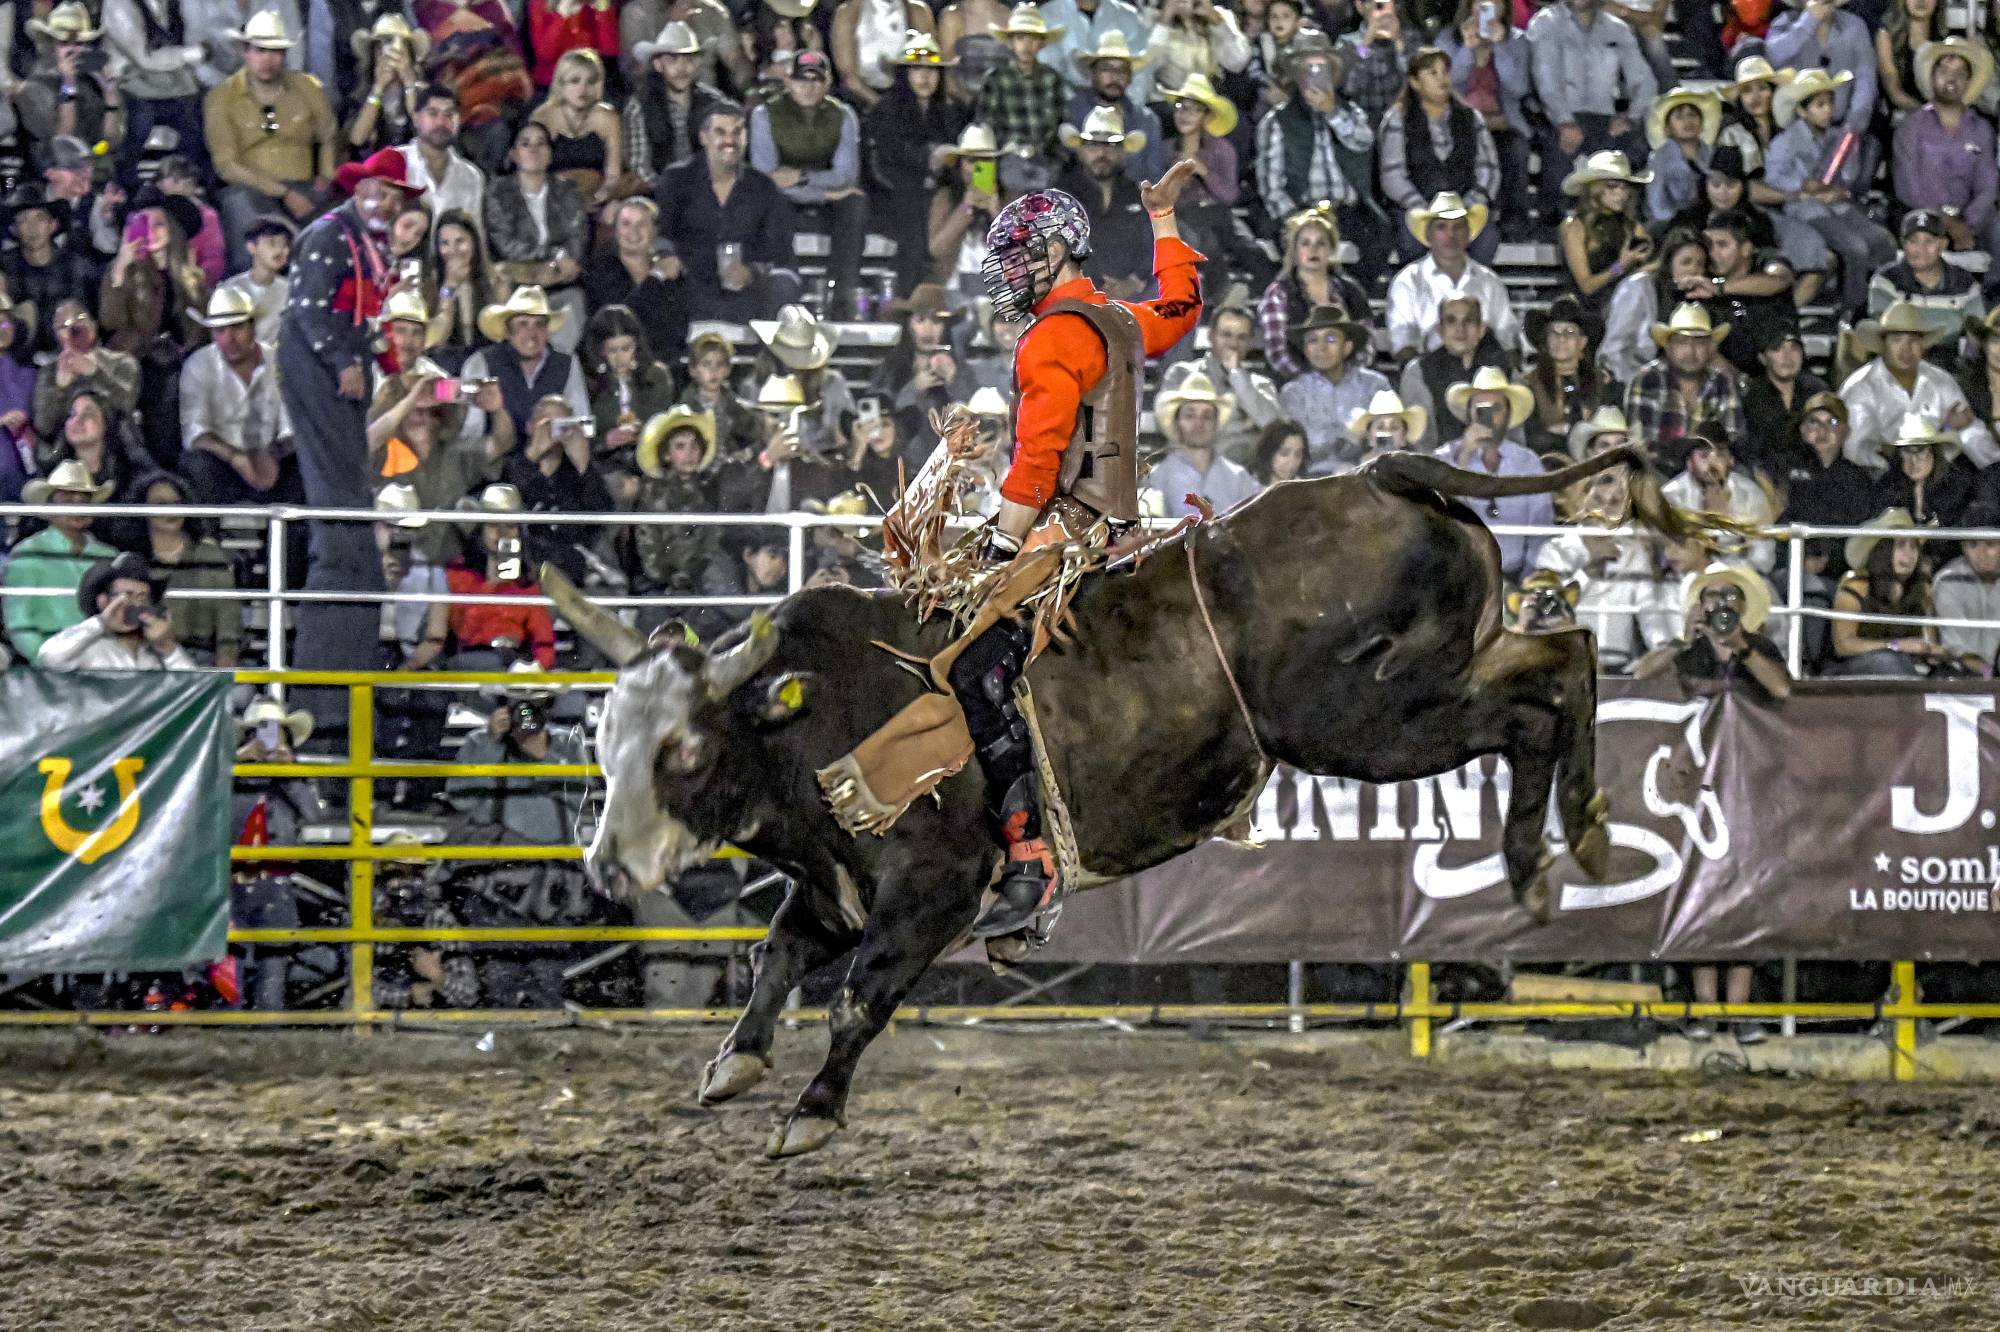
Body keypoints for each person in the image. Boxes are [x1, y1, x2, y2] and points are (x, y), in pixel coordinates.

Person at [946, 163, 1205, 939]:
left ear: (1058, 252)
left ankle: (1030, 858)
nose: (1010, 271)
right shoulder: (1117, 319)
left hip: (1066, 531)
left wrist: (997, 548)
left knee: (975, 665)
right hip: (1120, 525)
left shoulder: (1052, 337)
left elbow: (1036, 464)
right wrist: (1164, 222)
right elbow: (1182, 308)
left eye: (1021, 255)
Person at [281, 146, 426, 731]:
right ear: (359, 189)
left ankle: (334, 700)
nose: (385, 202)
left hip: (341, 368)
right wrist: (344, 358)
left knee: (352, 529)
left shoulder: (366, 243)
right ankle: (327, 700)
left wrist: (374, 354)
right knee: (344, 521)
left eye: (393, 195)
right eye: (379, 191)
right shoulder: (328, 235)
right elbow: (310, 310)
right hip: (319, 368)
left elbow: (357, 316)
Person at [654, 99, 804, 347]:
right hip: (692, 285)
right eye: (720, 132)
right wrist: (667, 257)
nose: (730, 140)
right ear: (704, 137)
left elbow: (779, 248)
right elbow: (662, 233)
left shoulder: (762, 187)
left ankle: (769, 366)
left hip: (745, 290)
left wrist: (752, 271)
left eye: (737, 132)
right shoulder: (676, 179)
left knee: (783, 287)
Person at [201, 10, 335, 267]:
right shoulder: (221, 97)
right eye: (260, 50)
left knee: (337, 213)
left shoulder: (308, 87)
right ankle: (252, 280)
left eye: (275, 51)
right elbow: (226, 164)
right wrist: (283, 193)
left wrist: (326, 175)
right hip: (251, 190)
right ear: (245, 51)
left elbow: (328, 135)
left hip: (306, 185)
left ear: (285, 55)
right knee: (239, 204)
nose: (267, 59)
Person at [1764, 68, 1896, 315]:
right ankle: (1852, 308)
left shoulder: (1837, 138)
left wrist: (1840, 190)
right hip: (1805, 207)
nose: (1827, 110)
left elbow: (1848, 174)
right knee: (1855, 247)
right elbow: (1774, 177)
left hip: (1836, 203)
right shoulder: (1786, 141)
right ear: (1802, 110)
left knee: (1883, 241)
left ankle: (1882, 301)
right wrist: (1803, 185)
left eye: (1829, 104)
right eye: (1820, 105)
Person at [1252, 33, 1376, 268]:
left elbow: (1363, 142)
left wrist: (1333, 112)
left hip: (1347, 213)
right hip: (1300, 211)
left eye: (1321, 68)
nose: (1315, 74)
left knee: (1378, 237)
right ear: (1297, 75)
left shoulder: (1351, 112)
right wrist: (1296, 220)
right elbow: (1271, 186)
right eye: (1309, 69)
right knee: (1302, 245)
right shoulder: (1277, 120)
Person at [863, 31, 968, 294]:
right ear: (905, 74)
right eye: (917, 69)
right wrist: (931, 157)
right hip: (892, 194)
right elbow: (887, 160)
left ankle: (935, 292)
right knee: (917, 214)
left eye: (931, 70)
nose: (925, 77)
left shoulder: (950, 113)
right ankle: (910, 295)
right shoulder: (885, 110)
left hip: (938, 193)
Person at [1378, 46, 1501, 265]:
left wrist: (1470, 204)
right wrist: (1423, 209)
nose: (1442, 78)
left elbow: (1488, 169)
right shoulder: (1397, 119)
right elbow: (1392, 175)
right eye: (1433, 73)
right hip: (1417, 206)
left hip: (1464, 206)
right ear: (1415, 82)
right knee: (1411, 241)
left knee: (1486, 239)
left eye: (1445, 72)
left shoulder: (1471, 117)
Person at [1525, 0, 1656, 206]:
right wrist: (1564, 121)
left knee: (1634, 142)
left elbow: (1645, 82)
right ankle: (1555, 216)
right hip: (1553, 114)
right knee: (1560, 145)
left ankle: (1623, 215)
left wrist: (1631, 118)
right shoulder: (1546, 22)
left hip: (1603, 117)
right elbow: (1546, 81)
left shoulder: (1617, 28)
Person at [1840, 301, 1996, 470]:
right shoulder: (1859, 388)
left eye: (1913, 340)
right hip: (1876, 480)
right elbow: (1855, 451)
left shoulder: (1941, 381)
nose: (1906, 349)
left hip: (1937, 477)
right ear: (1883, 343)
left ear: (1923, 345)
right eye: (1897, 340)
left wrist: (1994, 468)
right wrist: (1943, 432)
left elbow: (1971, 431)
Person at [178, 286, 298, 505]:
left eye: (237, 327)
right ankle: (216, 525)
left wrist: (269, 457)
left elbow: (290, 427)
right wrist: (236, 458)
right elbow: (196, 433)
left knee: (303, 461)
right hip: (223, 466)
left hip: (274, 461)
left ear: (252, 327)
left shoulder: (278, 361)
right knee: (196, 463)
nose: (229, 338)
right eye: (220, 331)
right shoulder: (199, 365)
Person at [484, 120, 589, 353]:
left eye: (541, 143)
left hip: (559, 280)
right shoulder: (498, 192)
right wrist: (552, 256)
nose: (534, 149)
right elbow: (505, 244)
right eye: (526, 143)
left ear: (550, 154)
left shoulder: (567, 190)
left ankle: (558, 363)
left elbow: (577, 236)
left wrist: (561, 262)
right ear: (514, 154)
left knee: (575, 301)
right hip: (519, 281)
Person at [1436, 365, 1551, 577]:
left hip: (1515, 575)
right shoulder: (1445, 458)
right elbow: (1437, 515)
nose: (1487, 416)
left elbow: (1541, 529)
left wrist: (1527, 580)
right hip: (1459, 576)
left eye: (1495, 408)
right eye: (1480, 409)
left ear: (1508, 414)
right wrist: (1464, 457)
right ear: (1470, 413)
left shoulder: (1527, 462)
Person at [1891, 38, 1999, 257]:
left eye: (1960, 73)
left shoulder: (1981, 130)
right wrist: (1947, 222)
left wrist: (1967, 222)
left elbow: (1987, 185)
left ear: (1968, 82)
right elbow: (1908, 188)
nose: (1952, 78)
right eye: (1944, 71)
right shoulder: (1910, 127)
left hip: (1970, 220)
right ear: (1932, 76)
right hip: (1922, 217)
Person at [2, 458, 116, 658]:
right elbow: (19, 621)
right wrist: (42, 657)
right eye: (67, 500)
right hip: (51, 656)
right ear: (49, 508)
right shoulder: (28, 553)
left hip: (105, 656)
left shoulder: (109, 556)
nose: (76, 507)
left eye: (83, 501)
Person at [1438, 0, 1533, 237]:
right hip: (1460, 123)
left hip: (1503, 122)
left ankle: (1514, 221)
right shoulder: (1448, 39)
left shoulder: (1517, 40)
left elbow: (1518, 88)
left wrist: (1500, 48)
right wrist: (1467, 49)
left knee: (1515, 148)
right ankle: (1462, 217)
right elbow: (1444, 85)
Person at [1386, 191, 1520, 359]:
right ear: (1428, 234)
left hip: (1483, 371)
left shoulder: (1490, 282)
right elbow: (1402, 343)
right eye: (1441, 227)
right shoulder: (1407, 282)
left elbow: (1508, 337)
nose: (1451, 234)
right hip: (1427, 369)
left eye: (1458, 226)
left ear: (1468, 233)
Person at [1623, 302, 1745, 473]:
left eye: (1699, 342)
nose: (1691, 351)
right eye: (1682, 342)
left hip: (1710, 475)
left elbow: (1733, 441)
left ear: (1710, 348)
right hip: (1658, 476)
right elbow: (1642, 448)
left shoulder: (1722, 383)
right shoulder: (1647, 380)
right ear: (1667, 346)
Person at [134, 470, 240, 667]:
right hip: (144, 658)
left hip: (201, 658)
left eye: (177, 503)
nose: (171, 511)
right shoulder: (133, 559)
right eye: (161, 504)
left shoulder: (209, 554)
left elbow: (228, 620)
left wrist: (224, 670)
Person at [445, 483, 557, 668]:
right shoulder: (457, 573)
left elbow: (544, 642)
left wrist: (536, 669)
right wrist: (491, 586)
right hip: (469, 661)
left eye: (510, 526)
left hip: (512, 665)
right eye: (493, 525)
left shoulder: (527, 585)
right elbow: (457, 631)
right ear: (481, 530)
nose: (502, 533)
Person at [458, 285, 591, 441]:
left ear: (547, 331)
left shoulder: (567, 363)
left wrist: (548, 430)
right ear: (507, 331)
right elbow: (471, 430)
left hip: (553, 451)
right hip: (498, 453)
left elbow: (584, 425)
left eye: (539, 324)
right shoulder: (481, 362)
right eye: (523, 324)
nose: (532, 334)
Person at [1257, 203, 1371, 380]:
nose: (1313, 250)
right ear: (1295, 251)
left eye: (1321, 243)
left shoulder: (1351, 291)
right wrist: (1313, 384)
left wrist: (1345, 382)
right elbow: (1277, 353)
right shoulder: (1278, 294)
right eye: (1305, 243)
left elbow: (1366, 345)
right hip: (1294, 384)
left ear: (1331, 249)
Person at [1827, 508, 1947, 676]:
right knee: (1887, 661)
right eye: (1901, 545)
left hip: (1908, 664)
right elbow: (1843, 646)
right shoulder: (1856, 587)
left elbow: (1929, 643)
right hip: (1856, 667)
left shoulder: (1921, 589)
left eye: (1913, 547)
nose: (1909, 555)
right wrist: (1895, 645)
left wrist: (1934, 651)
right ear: (1883, 551)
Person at [1155, 304, 1282, 462]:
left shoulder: (1260, 385)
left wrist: (1237, 375)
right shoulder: (1182, 374)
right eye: (1226, 335)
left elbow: (1275, 429)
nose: (1233, 344)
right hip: (1193, 465)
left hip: (1247, 471)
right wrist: (1243, 425)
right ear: (1211, 336)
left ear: (1249, 342)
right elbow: (1169, 425)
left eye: (1242, 337)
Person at [1277, 302, 1389, 475]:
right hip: (1312, 479)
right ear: (1305, 350)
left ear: (1347, 347)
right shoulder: (1294, 393)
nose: (1321, 347)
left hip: (1366, 475)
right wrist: (1350, 438)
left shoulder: (1374, 385)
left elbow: (1388, 435)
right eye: (1312, 340)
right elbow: (1299, 446)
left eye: (1330, 339)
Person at [36, 548, 195, 669]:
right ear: (103, 602)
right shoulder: (87, 646)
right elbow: (48, 658)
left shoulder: (157, 650)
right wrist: (101, 623)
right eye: (127, 596)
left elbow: (194, 692)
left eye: (142, 598)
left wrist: (168, 647)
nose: (136, 605)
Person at [1866, 210, 1983, 371]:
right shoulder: (1885, 280)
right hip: (1898, 363)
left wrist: (1967, 366)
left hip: (1947, 363)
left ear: (1942, 244)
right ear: (1903, 244)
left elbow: (1976, 332)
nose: (1920, 249)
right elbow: (1884, 333)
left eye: (1929, 241)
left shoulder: (1964, 283)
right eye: (1913, 241)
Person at [1398, 292, 1515, 451]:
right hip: (1438, 463)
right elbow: (1421, 441)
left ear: (1481, 329)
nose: (1460, 329)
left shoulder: (1504, 369)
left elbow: (1515, 435)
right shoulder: (1419, 371)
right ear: (1440, 329)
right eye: (1451, 320)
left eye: (1469, 320)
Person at [1053, 107, 1151, 294]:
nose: (1101, 154)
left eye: (1110, 146)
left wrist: (1134, 281)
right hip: (1074, 291)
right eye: (1093, 146)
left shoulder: (1135, 193)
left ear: (1122, 152)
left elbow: (1151, 242)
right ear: (1081, 151)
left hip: (1133, 293)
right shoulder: (1061, 194)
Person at [622, 19, 728, 193]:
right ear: (658, 65)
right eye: (672, 59)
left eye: (689, 59)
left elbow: (725, 155)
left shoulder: (714, 102)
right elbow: (639, 167)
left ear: (697, 63)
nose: (681, 67)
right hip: (659, 194)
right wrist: (669, 191)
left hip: (710, 193)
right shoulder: (640, 106)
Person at [1661, 428, 1777, 574]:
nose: (1713, 462)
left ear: (1731, 460)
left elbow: (1763, 556)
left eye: (1720, 455)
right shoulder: (1671, 495)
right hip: (1683, 577)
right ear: (1689, 463)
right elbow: (1668, 557)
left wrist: (1729, 574)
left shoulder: (1749, 494)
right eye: (1704, 456)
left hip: (1738, 575)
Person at [1602, 227, 1709, 385]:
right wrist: (1641, 386)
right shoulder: (1638, 287)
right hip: (1630, 381)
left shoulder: (1698, 299)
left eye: (1700, 264)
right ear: (1669, 262)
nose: (1694, 270)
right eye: (1686, 262)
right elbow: (1614, 350)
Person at [1701, 209, 1797, 380]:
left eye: (1722, 245)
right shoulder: (1703, 280)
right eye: (1708, 246)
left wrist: (1720, 287)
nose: (1712, 253)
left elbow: (1779, 280)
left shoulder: (1768, 262)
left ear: (1746, 249)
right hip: (1728, 381)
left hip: (1782, 376)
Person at [1063, 29, 1167, 185]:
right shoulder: (1071, 112)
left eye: (1122, 70)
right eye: (1107, 68)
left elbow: (1155, 177)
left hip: (1134, 197)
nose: (1115, 76)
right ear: (1092, 74)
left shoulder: (1147, 121)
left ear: (1130, 78)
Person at [1557, 150, 1653, 316]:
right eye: (1612, 186)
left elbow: (1643, 272)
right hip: (1587, 312)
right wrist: (1620, 267)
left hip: (1626, 306)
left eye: (1624, 187)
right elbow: (1586, 287)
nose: (1620, 194)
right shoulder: (1575, 227)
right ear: (1595, 189)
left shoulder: (1632, 226)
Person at [1149, 369, 1259, 514]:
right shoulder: (1158, 478)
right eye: (1190, 415)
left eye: (1207, 416)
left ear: (1216, 423)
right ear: (1177, 422)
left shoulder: (1239, 478)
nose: (1199, 423)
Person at [1765, 0, 1878, 139]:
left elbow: (1865, 78)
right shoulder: (1783, 23)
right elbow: (1772, 59)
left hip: (1845, 126)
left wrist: (1854, 124)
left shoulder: (1855, 25)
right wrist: (1808, 22)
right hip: (1795, 131)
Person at [976, 3, 1071, 166]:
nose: (1026, 46)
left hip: (1047, 157)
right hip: (1008, 157)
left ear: (1041, 44)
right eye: (1020, 38)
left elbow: (1060, 121)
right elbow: (986, 124)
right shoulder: (995, 78)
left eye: (1033, 39)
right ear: (1010, 43)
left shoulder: (1052, 78)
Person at [528, 48, 624, 206]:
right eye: (574, 81)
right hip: (552, 201)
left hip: (597, 199)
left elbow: (613, 176)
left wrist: (601, 197)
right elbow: (533, 174)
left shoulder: (608, 118)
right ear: (561, 84)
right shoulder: (543, 118)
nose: (583, 89)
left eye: (590, 82)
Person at [1522, 295, 1612, 456]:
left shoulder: (1602, 382)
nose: (1561, 339)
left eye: (1569, 332)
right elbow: (1532, 437)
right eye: (1554, 333)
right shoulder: (1530, 385)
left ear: (1582, 342)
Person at [399, 82, 486, 224]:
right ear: (416, 119)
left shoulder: (471, 177)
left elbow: (473, 230)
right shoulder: (394, 162)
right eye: (433, 113)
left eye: (449, 115)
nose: (441, 122)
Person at [1871, 410, 1971, 529]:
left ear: (1935, 454)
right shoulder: (1887, 486)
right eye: (1907, 451)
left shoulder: (1955, 485)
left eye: (1921, 451)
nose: (1914, 460)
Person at [1740, 326, 1825, 462]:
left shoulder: (1817, 392)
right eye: (1777, 348)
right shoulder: (1750, 397)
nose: (1787, 356)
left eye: (1794, 348)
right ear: (1763, 358)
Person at [1932, 500, 2000, 666]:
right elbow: (1957, 649)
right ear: (1963, 548)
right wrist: (1990, 675)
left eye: (1990, 544)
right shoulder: (1949, 580)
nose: (1982, 554)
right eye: (1973, 545)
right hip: (1962, 673)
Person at [1643, 85, 1722, 226]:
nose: (1688, 121)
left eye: (1692, 115)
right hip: (1670, 225)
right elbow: (1657, 204)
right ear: (1668, 127)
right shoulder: (1658, 159)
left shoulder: (1712, 153)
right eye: (1679, 117)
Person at [215, 215, 292, 344]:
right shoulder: (230, 289)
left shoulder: (291, 291)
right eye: (272, 243)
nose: (280, 250)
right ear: (252, 247)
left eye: (284, 245)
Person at [1347, 387, 1426, 465]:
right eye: (1380, 427)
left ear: (1403, 438)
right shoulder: (1351, 469)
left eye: (1394, 427)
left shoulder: (1416, 469)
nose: (1387, 432)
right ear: (1369, 436)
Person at [1249, 416, 1306, 485]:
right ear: (1268, 452)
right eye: (1284, 454)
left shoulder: (1305, 488)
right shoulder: (1247, 486)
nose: (1292, 462)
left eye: (1298, 455)